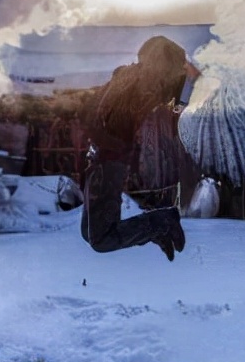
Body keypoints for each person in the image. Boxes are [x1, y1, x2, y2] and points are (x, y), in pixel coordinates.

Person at [79, 35, 199, 260]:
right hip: (98, 158)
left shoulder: (140, 81)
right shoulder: (134, 78)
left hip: (108, 161)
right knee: (90, 234)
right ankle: (156, 230)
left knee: (102, 240)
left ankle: (163, 222)